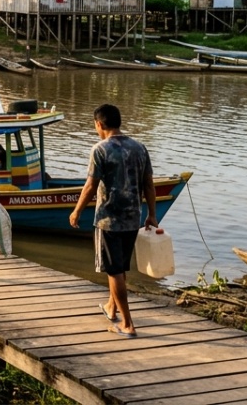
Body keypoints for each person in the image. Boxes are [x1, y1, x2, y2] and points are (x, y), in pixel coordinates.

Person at [69, 103, 157, 338]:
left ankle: (127, 324)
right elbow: (149, 184)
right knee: (119, 267)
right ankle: (111, 307)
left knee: (114, 270)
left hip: (108, 220)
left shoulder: (100, 149)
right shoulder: (140, 148)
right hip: (132, 219)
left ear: (99, 124)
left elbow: (90, 186)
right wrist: (152, 214)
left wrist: (77, 211)